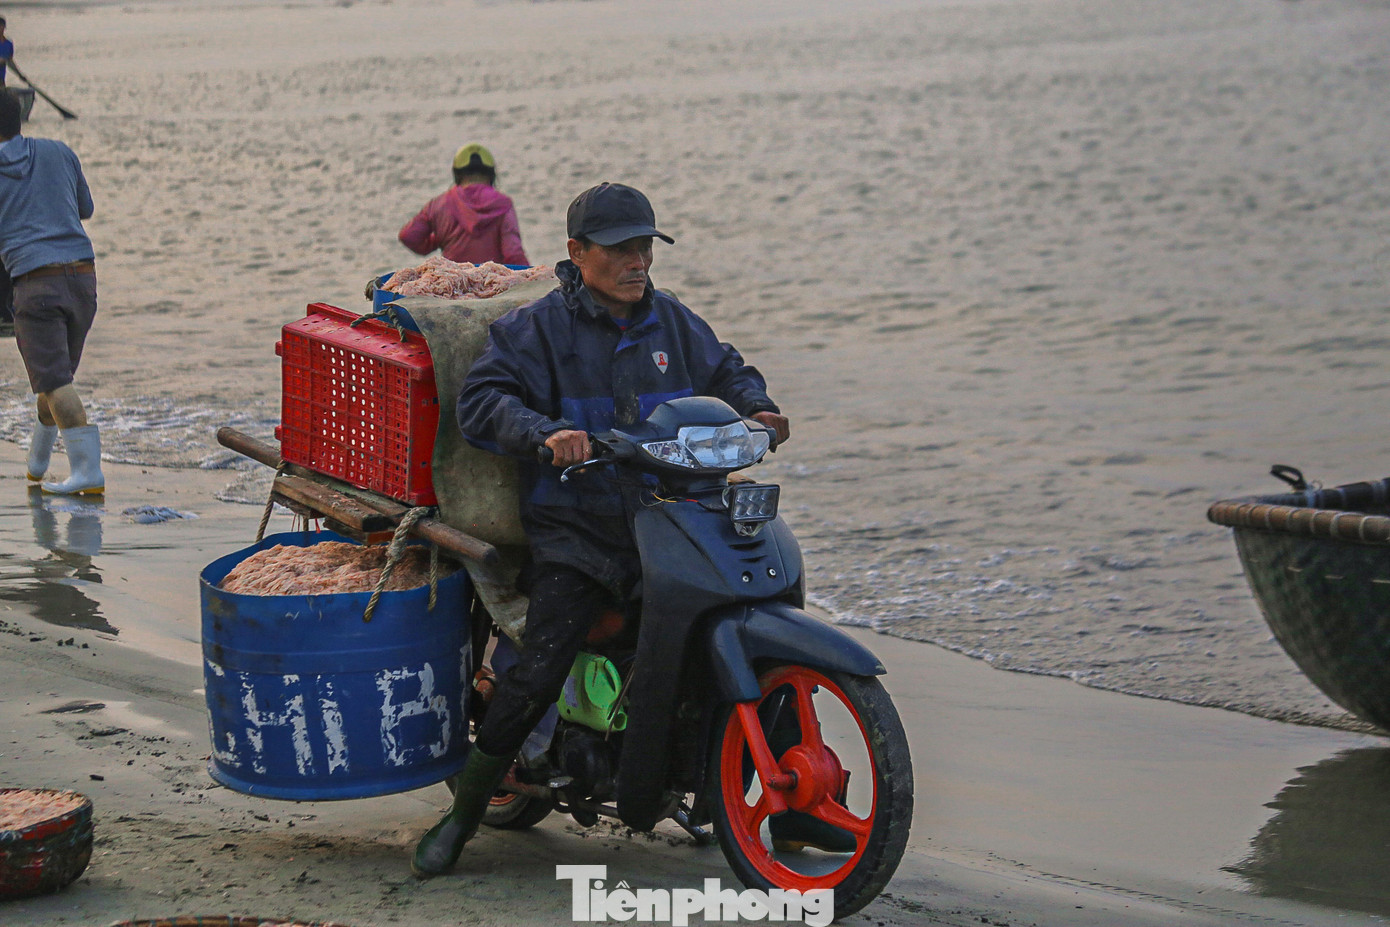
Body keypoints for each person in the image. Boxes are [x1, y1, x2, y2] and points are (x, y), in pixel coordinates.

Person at [411, 181, 792, 877]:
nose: (636, 260)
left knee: (756, 623)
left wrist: (759, 408)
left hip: (673, 523)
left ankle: (789, 808)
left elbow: (728, 369)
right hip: (579, 534)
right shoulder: (536, 330)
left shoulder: (672, 321)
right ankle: (462, 816)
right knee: (540, 667)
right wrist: (544, 433)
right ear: (577, 252)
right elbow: (483, 400)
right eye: (619, 249)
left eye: (644, 246)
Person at [0, 89, 104, 495]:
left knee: (55, 382)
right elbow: (85, 208)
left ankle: (87, 474)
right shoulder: (59, 151)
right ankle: (37, 464)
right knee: (55, 379)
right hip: (82, 279)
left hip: (35, 285)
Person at [397, 143, 529, 266]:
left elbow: (408, 236)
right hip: (493, 280)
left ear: (457, 174)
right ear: (491, 174)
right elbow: (513, 254)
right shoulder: (503, 204)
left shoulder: (439, 204)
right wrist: (533, 278)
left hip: (453, 281)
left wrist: (438, 239)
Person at [0, 18, 12, 87]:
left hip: (1, 79)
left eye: (2, 26)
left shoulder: (8, 44)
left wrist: (20, 75)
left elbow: (10, 61)